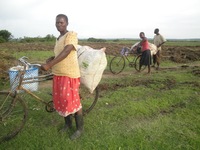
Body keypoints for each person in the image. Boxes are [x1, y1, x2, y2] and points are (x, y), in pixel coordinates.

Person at [41, 14, 83, 140]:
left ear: (67, 23)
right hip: (58, 74)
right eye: (57, 23)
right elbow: (59, 53)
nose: (59, 25)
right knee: (62, 100)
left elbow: (67, 51)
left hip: (69, 74)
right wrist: (52, 59)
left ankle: (80, 129)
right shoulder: (58, 38)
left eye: (62, 22)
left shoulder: (71, 35)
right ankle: (68, 124)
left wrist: (49, 64)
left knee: (73, 102)